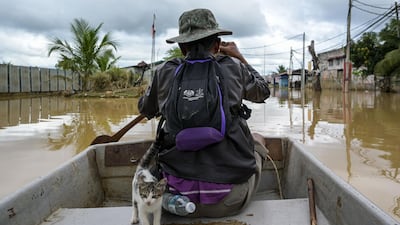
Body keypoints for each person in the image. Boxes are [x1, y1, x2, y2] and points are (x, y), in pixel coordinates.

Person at [137, 8, 270, 217]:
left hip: (173, 198)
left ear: (182, 47)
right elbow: (263, 91)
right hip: (229, 200)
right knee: (257, 139)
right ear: (217, 45)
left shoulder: (165, 71)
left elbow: (144, 109)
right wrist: (239, 56)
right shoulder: (233, 67)